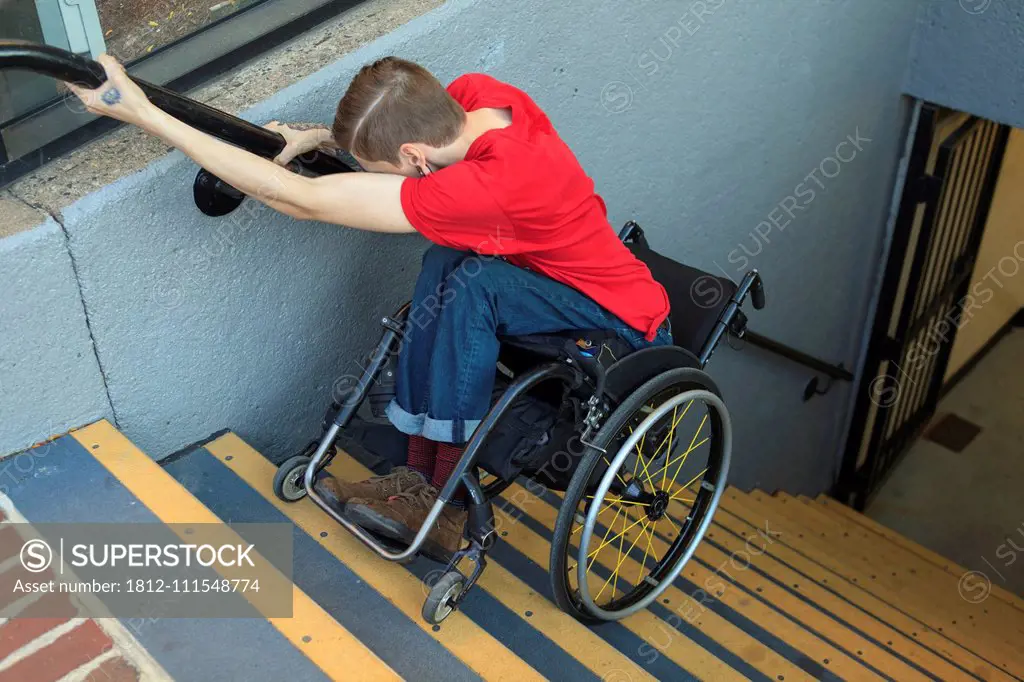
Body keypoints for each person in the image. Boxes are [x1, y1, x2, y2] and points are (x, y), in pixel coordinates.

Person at [66, 55, 672, 556]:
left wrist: (143, 113)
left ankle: (448, 502)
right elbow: (405, 131)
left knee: (475, 283)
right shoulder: (475, 97)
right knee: (444, 263)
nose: (376, 175)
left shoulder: (483, 188)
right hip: (559, 276)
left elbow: (298, 199)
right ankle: (416, 474)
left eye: (380, 169)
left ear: (415, 159)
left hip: (616, 318)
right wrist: (318, 137)